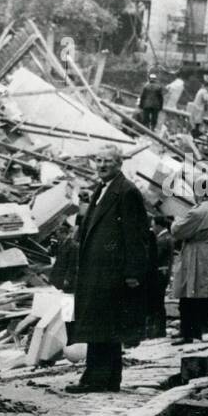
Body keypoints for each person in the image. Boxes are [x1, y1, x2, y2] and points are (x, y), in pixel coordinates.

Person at [66, 145, 152, 393]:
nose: (102, 165)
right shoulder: (103, 189)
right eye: (99, 161)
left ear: (119, 164)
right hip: (99, 270)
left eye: (108, 162)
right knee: (102, 325)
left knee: (104, 326)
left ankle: (97, 379)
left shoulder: (126, 191)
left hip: (111, 272)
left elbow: (136, 235)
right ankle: (106, 378)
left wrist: (133, 272)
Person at [170, 188, 208, 342]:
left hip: (194, 251)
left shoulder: (197, 212)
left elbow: (178, 231)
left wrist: (175, 221)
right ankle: (204, 330)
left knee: (188, 291)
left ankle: (189, 333)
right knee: (206, 291)